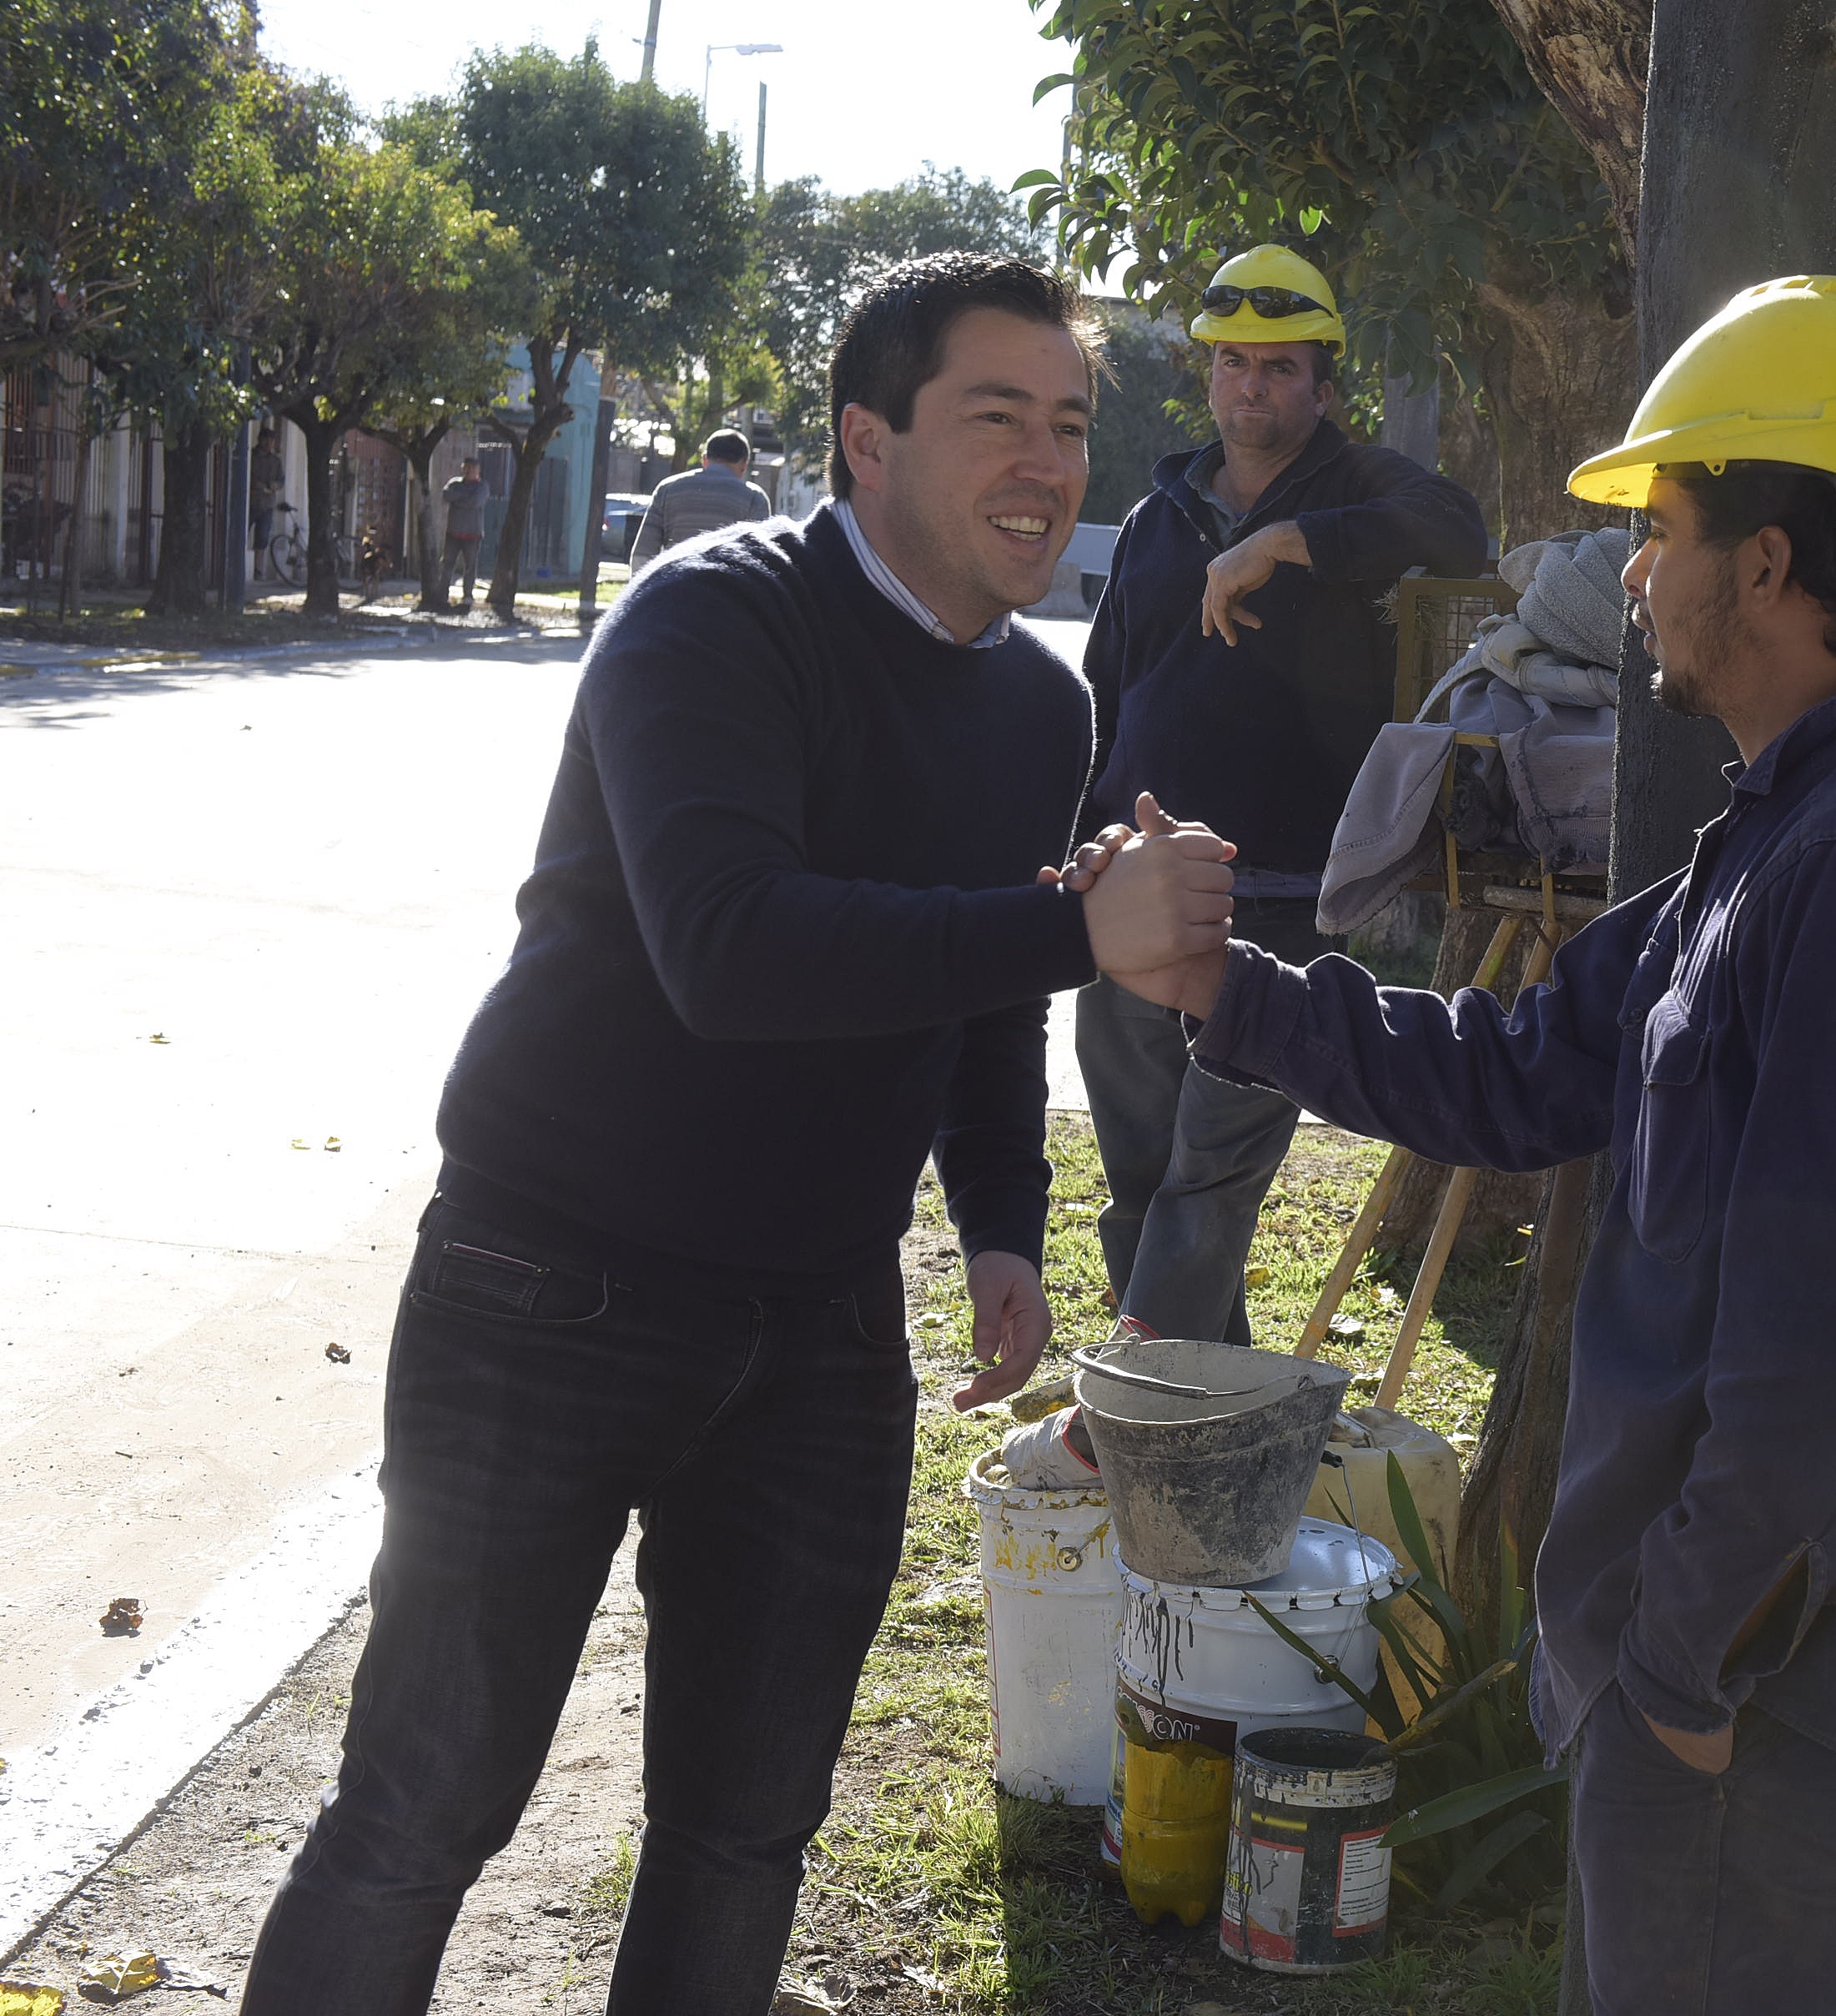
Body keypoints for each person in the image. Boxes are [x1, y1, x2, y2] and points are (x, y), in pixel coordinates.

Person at [237, 252, 1236, 2016]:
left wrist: (999, 1213)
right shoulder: (709, 617)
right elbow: (733, 946)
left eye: (1071, 424)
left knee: (747, 1823)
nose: (1045, 462)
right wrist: (1080, 926)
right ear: (868, 439)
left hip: (825, 1321)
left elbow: (977, 1000)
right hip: (550, 1278)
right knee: (424, 1804)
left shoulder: (1039, 705)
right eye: (993, 416)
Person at [1084, 275, 1836, 2015]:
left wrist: (1683, 1666)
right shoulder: (1785, 827)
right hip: (1715, 1681)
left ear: (1769, 562)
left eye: (1662, 527)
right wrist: (1218, 985)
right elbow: (1520, 1069)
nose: (1626, 574)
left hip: (1763, 1702)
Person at [1074, 242, 1487, 1343]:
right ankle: (1188, 1416)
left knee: (1211, 1180)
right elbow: (1108, 688)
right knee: (1139, 1177)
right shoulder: (1159, 517)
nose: (1250, 385)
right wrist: (1080, 851)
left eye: (1279, 367)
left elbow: (1460, 530)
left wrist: (1287, 544)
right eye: (1232, 364)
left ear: (1324, 386)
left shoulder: (1363, 488)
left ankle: (1140, 1394)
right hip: (1133, 883)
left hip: (1279, 902)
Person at [631, 426, 772, 569]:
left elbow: (644, 552)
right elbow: (760, 559)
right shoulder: (755, 498)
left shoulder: (668, 489)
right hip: (727, 587)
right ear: (744, 464)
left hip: (674, 584)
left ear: (705, 459)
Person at [441, 456, 487, 609]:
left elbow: (475, 502)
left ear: (478, 470)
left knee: (470, 566)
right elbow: (447, 495)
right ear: (462, 468)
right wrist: (464, 496)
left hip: (473, 534)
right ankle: (442, 594)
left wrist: (458, 499)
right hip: (453, 532)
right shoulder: (454, 483)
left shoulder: (482, 486)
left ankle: (468, 596)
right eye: (467, 468)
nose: (469, 471)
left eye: (473, 469)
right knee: (447, 564)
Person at [249, 427, 285, 574]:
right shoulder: (251, 456)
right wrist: (256, 485)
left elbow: (281, 481)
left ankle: (258, 569)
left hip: (267, 505)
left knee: (262, 538)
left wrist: (272, 486)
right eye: (267, 440)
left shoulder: (275, 461)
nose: (270, 443)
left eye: (272, 440)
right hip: (251, 503)